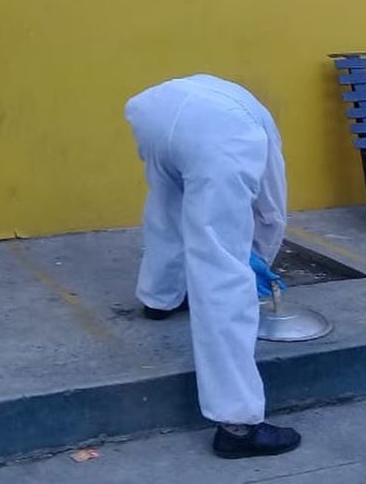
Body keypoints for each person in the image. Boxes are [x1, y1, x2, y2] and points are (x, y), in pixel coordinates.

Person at [124, 73, 299, 460]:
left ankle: (159, 299)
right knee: (222, 271)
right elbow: (271, 213)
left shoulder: (242, 106)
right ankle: (237, 426)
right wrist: (257, 263)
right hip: (216, 132)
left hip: (153, 110)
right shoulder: (256, 136)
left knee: (167, 209)